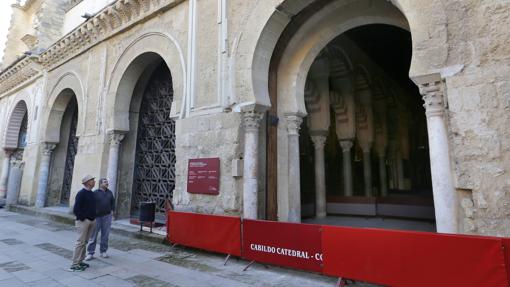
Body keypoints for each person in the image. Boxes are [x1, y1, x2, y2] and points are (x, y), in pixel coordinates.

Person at [69, 175, 97, 272]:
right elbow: (76, 209)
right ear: (87, 182)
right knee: (80, 242)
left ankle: (80, 261)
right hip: (83, 221)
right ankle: (74, 264)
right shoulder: (81, 193)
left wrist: (93, 218)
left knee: (85, 242)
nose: (94, 182)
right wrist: (84, 219)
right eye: (92, 180)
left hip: (92, 220)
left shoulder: (92, 193)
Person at [85, 178, 115, 260]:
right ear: (100, 184)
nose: (107, 183)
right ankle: (90, 253)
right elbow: (90, 204)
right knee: (93, 235)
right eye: (105, 182)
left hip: (107, 216)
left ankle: (103, 251)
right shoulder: (95, 193)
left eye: (107, 182)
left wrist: (112, 210)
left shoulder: (110, 192)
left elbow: (113, 202)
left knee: (105, 235)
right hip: (97, 217)